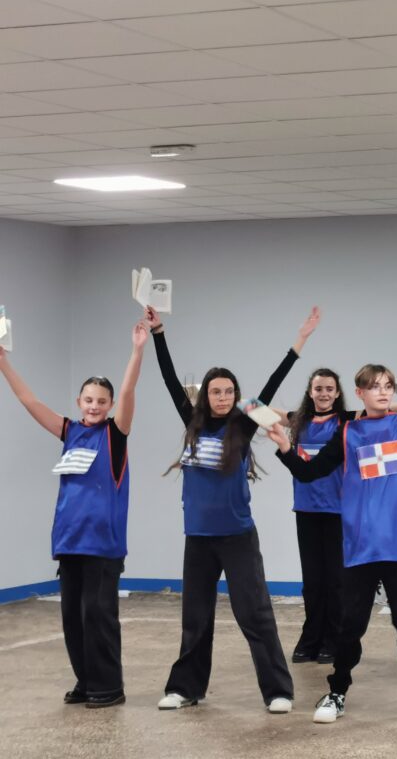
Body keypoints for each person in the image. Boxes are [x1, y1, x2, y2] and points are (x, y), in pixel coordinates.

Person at [268, 364, 397, 725]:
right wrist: (287, 448)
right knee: (351, 625)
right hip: (361, 545)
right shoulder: (347, 432)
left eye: (388, 386)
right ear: (360, 393)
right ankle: (337, 692)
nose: (383, 392)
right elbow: (309, 473)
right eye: (375, 386)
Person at [148, 305, 321, 714]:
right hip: (198, 538)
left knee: (255, 613)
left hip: (237, 537)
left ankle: (278, 691)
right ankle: (186, 688)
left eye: (229, 391)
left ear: (236, 395)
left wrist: (300, 340)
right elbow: (170, 379)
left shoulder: (242, 424)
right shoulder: (192, 422)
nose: (223, 397)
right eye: (216, 391)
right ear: (205, 395)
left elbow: (274, 381)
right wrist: (158, 333)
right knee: (195, 617)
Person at [0, 320, 147, 708]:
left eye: (102, 401)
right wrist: (3, 363)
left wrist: (137, 350)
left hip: (102, 546)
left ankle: (108, 686)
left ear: (110, 405)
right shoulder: (69, 431)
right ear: (79, 401)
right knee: (73, 619)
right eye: (89, 400)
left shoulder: (115, 435)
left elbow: (129, 390)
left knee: (99, 616)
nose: (95, 406)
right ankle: (86, 680)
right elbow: (30, 402)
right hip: (69, 542)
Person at [286, 368, 347, 665]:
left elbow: (385, 409)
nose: (323, 393)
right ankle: (310, 638)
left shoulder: (346, 421)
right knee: (312, 581)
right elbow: (263, 413)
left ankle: (333, 640)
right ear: (310, 392)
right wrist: (244, 404)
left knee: (335, 581)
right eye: (318, 388)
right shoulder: (298, 422)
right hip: (306, 510)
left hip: (336, 511)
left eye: (329, 389)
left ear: (337, 393)